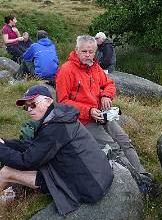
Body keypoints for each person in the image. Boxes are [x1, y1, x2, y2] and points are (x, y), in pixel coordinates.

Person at [0, 85, 114, 215]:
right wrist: (6, 143)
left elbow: (27, 161)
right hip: (93, 175)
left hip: (85, 186)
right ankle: (6, 193)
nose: (29, 110)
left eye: (33, 104)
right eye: (26, 107)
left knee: (8, 171)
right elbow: (37, 148)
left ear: (48, 100)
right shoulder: (60, 117)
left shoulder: (55, 127)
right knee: (11, 158)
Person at [56, 35, 156, 195]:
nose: (88, 55)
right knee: (114, 148)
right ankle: (137, 183)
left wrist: (106, 96)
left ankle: (143, 175)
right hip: (81, 120)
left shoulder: (94, 67)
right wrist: (88, 111)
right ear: (76, 50)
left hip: (101, 114)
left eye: (91, 51)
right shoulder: (66, 70)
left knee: (124, 140)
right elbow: (62, 102)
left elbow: (109, 84)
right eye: (84, 51)